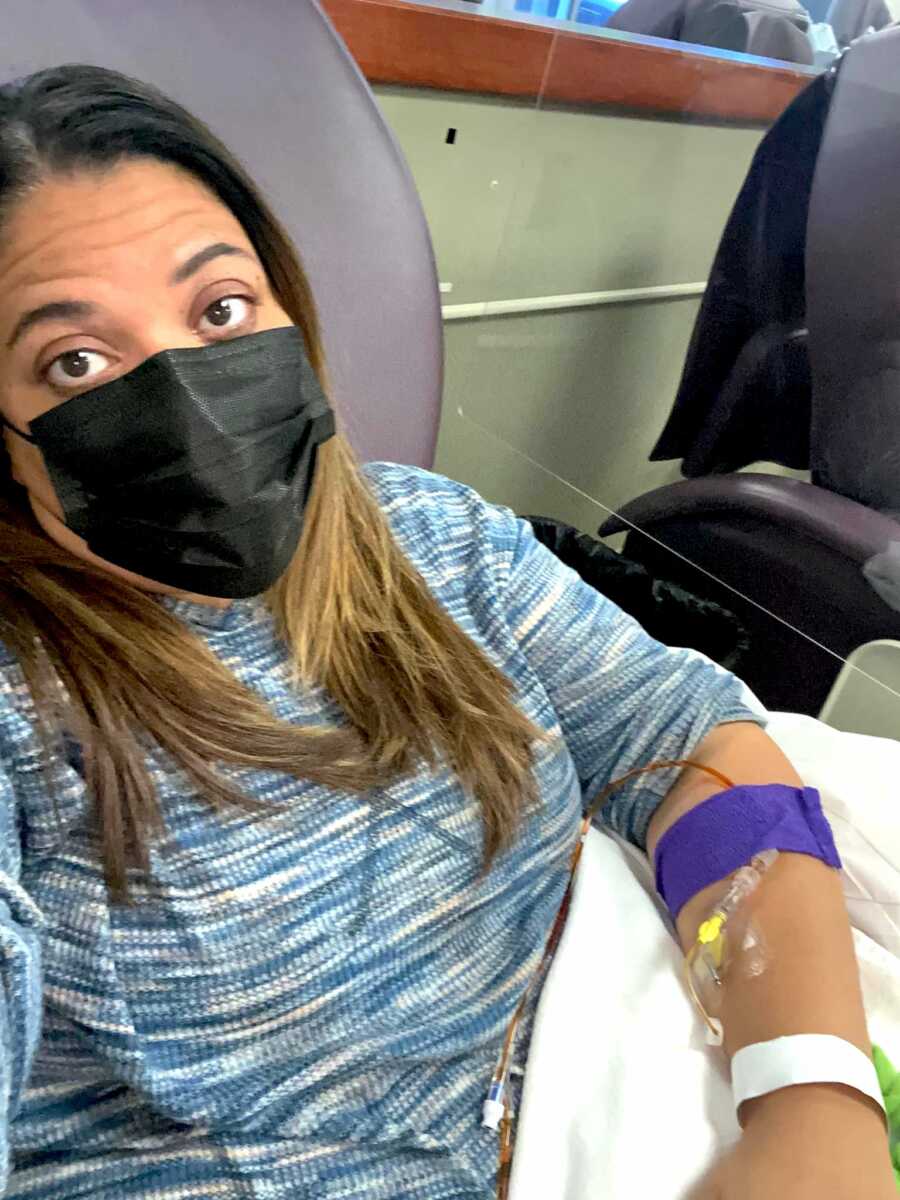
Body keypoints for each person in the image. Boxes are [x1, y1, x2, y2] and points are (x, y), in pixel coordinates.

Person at [0, 65, 891, 1200]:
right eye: (75, 361)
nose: (189, 396)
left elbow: (692, 748)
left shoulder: (428, 538)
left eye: (221, 310)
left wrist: (810, 1107)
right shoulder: (25, 708)